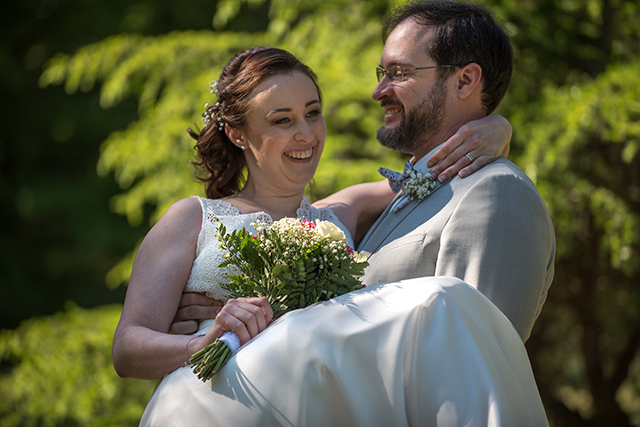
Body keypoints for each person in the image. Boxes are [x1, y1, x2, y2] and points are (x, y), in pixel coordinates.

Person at [113, 44, 547, 425]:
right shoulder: (193, 218)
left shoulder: (338, 214)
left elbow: (430, 170)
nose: (306, 134)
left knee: (447, 301)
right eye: (282, 120)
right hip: (219, 400)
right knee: (441, 301)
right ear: (237, 133)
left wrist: (497, 128)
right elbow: (128, 348)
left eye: (313, 113)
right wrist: (199, 343)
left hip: (318, 409)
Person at [322, 0, 555, 343]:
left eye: (399, 73)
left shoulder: (499, 192)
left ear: (464, 81)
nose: (378, 92)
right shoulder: (408, 191)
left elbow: (478, 360)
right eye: (381, 73)